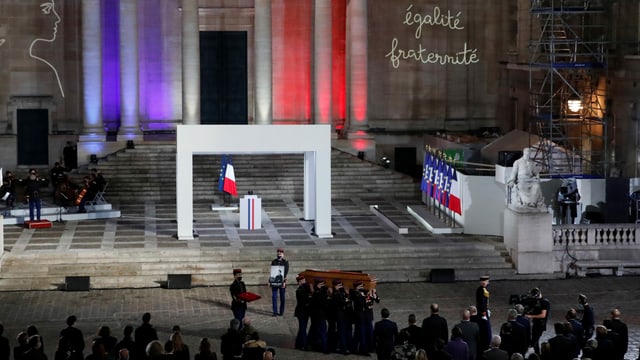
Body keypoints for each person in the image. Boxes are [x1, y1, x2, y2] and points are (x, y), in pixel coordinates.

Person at [524, 288, 550, 355]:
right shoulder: (537, 301)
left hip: (540, 325)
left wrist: (531, 316)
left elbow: (543, 315)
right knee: (536, 341)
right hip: (536, 323)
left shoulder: (544, 302)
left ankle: (536, 353)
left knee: (534, 341)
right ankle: (537, 354)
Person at [269, 248, 288, 317]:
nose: (279, 254)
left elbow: (286, 272)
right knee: (274, 297)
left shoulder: (285, 262)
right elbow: (272, 272)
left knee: (282, 297)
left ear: (283, 254)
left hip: (282, 282)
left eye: (281, 253)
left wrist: (284, 282)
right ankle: (275, 312)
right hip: (275, 282)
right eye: (278, 253)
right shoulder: (274, 261)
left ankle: (281, 311)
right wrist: (270, 281)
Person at [293, 275, 311, 351]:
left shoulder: (307, 288)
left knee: (302, 328)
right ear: (298, 283)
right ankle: (304, 345)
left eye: (303, 281)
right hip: (301, 312)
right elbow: (304, 300)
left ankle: (298, 343)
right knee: (303, 329)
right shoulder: (299, 290)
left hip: (305, 312)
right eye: (300, 281)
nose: (302, 282)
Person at [475, 275, 492, 344]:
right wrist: (484, 313)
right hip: (482, 311)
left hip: (484, 309)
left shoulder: (483, 289)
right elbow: (481, 303)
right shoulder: (481, 290)